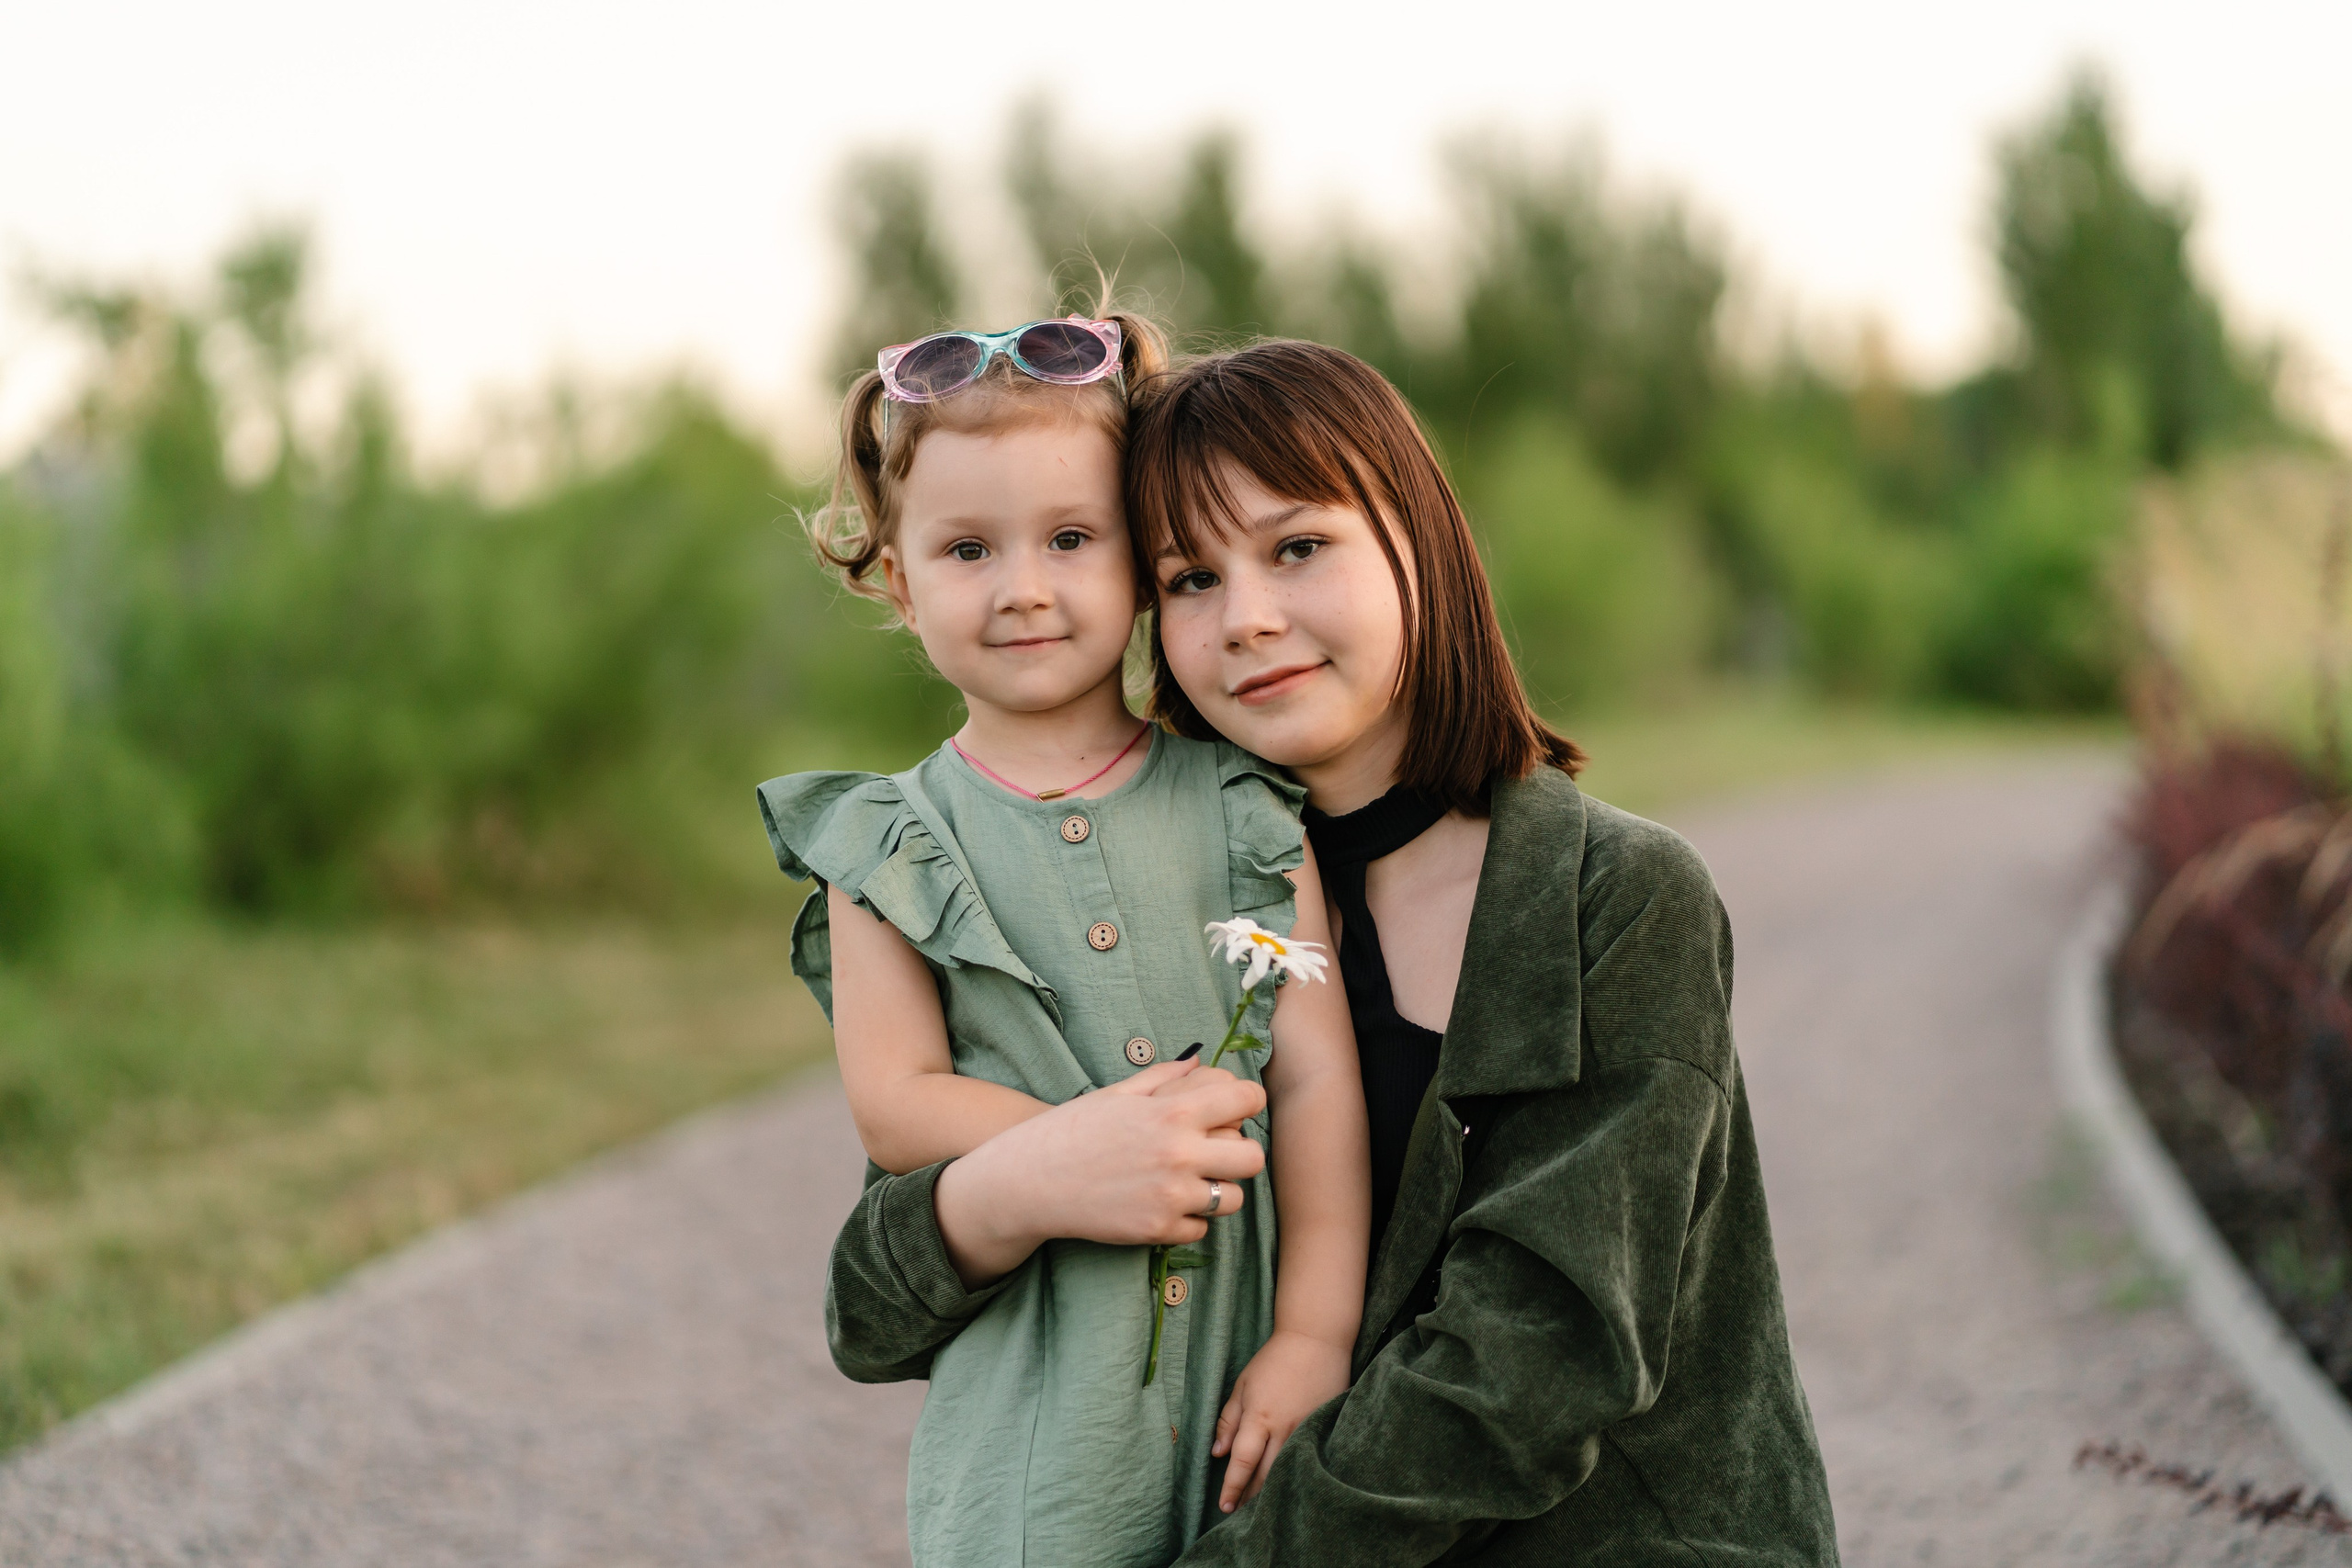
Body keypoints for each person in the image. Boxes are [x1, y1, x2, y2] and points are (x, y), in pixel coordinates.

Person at [822, 339, 1840, 1564]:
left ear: (1420, 543)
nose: (1248, 618)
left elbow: (1529, 1368)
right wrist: (1018, 1182)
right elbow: (871, 1314)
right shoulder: (1165, 886)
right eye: (1193, 577)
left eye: (1299, 548)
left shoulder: (1610, 901)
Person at [757, 314, 1372, 1568]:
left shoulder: (1242, 806)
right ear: (897, 579)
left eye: (1072, 540)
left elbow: (1312, 1077)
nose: (1024, 586)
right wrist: (1085, 1149)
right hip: (1039, 1420)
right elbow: (896, 1103)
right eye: (968, 549)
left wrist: (1313, 1334)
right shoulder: (891, 842)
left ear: (1143, 564)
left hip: (1239, 1386)